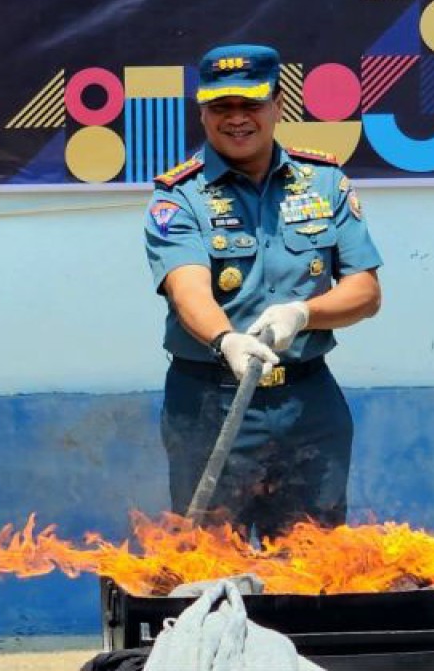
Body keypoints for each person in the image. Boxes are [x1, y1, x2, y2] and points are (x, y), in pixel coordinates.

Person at [143, 44, 382, 539]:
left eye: (250, 104)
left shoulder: (324, 183)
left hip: (308, 403)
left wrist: (303, 313)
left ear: (277, 105)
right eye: (221, 107)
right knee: (212, 561)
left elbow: (365, 291)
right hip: (211, 403)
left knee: (313, 562)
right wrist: (226, 339)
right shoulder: (179, 196)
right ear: (202, 112)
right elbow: (188, 290)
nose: (236, 119)